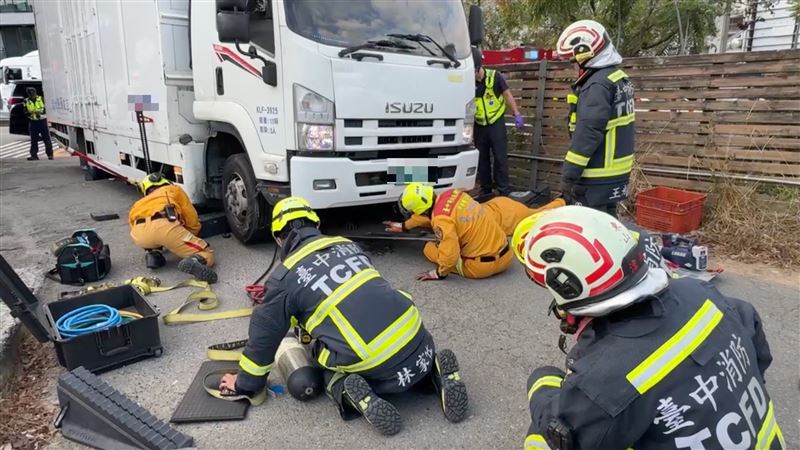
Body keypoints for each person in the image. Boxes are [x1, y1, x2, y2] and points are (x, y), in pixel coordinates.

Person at [514, 205, 783, 449]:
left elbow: (562, 435)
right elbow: (756, 339)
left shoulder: (605, 382)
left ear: (567, 287)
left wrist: (541, 381)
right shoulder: (700, 292)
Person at [219, 196, 468, 436]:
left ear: (278, 239)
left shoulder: (285, 277)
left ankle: (350, 395)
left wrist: (244, 385)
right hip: (417, 337)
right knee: (389, 324)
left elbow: (264, 337)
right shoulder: (348, 245)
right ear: (316, 225)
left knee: (321, 359)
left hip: (372, 358)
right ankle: (433, 374)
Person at [556, 20, 635, 218]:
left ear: (586, 53)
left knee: (591, 232)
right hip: (615, 175)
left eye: (574, 61)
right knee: (610, 229)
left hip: (596, 176)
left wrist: (569, 175)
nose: (574, 66)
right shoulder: (618, 78)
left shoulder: (597, 86)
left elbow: (588, 133)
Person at [396, 183, 512, 280]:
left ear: (420, 210)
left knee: (429, 248)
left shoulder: (441, 220)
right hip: (506, 257)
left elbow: (450, 256)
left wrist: (439, 273)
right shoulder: (454, 194)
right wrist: (404, 226)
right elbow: (433, 216)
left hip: (479, 267)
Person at [128, 173, 217, 283]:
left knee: (156, 237)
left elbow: (132, 224)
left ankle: (154, 255)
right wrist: (191, 235)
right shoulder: (174, 190)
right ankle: (195, 260)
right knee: (207, 252)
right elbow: (191, 217)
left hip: (139, 236)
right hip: (165, 227)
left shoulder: (138, 203)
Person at [473, 47, 524, 197]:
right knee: (482, 162)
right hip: (479, 125)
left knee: (500, 159)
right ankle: (486, 191)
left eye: (473, 71)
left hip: (496, 124)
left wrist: (517, 114)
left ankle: (503, 191)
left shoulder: (495, 77)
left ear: (478, 68)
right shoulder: (468, 83)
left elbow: (507, 95)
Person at [386, 195, 565, 237]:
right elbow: (425, 219)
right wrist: (403, 226)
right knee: (537, 212)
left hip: (508, 218)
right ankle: (563, 202)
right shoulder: (444, 199)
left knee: (540, 217)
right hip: (498, 204)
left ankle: (564, 204)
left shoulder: (439, 217)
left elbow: (426, 220)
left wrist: (403, 226)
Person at [24, 87, 53, 161]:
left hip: (42, 121)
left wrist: (40, 112)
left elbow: (47, 109)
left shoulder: (41, 99)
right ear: (28, 94)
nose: (32, 95)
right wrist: (32, 112)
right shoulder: (26, 101)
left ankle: (50, 154)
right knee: (33, 140)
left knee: (46, 139)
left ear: (35, 92)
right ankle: (34, 155)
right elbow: (25, 112)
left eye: (33, 93)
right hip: (33, 122)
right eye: (31, 94)